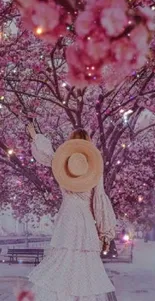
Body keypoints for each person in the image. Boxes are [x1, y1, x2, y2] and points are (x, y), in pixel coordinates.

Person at [26, 124, 117, 301]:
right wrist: (105, 233)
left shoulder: (62, 164)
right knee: (85, 267)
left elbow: (48, 155)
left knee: (63, 262)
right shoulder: (94, 170)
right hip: (85, 222)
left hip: (67, 220)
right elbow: (99, 200)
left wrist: (35, 136)